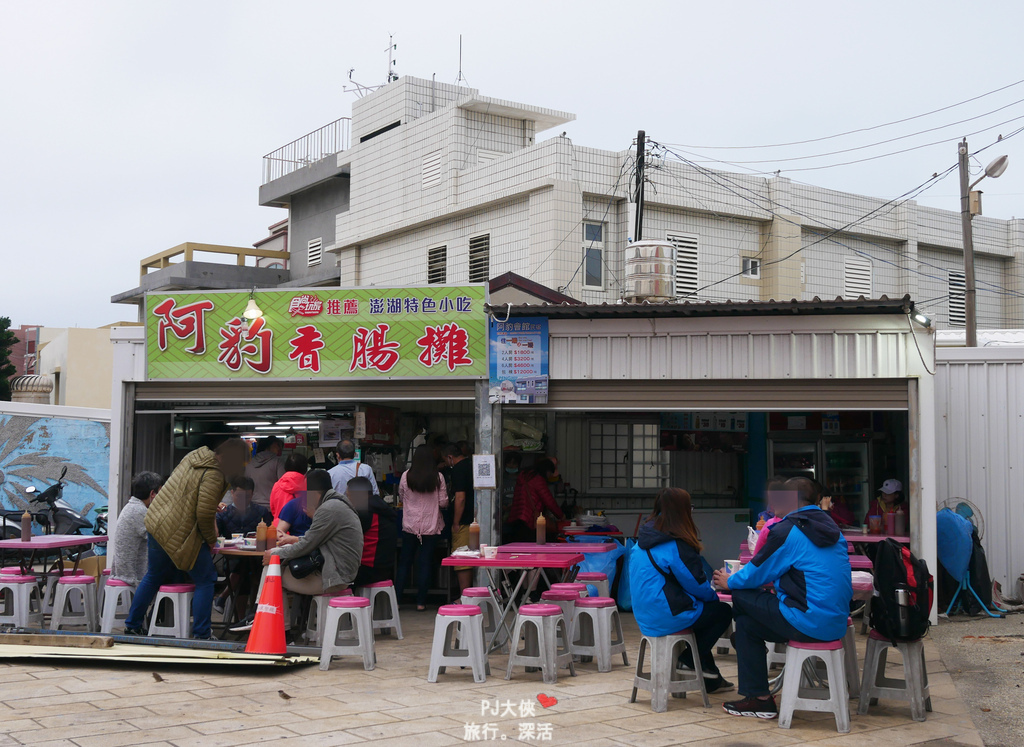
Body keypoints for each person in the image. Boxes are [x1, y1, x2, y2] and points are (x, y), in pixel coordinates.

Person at [715, 476, 852, 719]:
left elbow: (755, 574)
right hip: (836, 622)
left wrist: (729, 582)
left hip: (807, 621)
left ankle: (758, 695)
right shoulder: (830, 527)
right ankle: (759, 698)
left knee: (739, 594)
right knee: (747, 625)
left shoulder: (788, 530)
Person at [123, 438, 249, 640]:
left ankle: (132, 626)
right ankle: (201, 634)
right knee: (206, 578)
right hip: (178, 528)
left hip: (157, 521)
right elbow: (203, 513)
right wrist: (210, 538)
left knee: (154, 575)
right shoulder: (215, 474)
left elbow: (187, 494)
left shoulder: (195, 456)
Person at [629, 488, 734, 693]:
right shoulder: (675, 543)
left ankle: (711, 677)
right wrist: (715, 593)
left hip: (644, 615)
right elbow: (695, 584)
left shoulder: (641, 541)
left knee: (701, 617)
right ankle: (686, 659)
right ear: (683, 511)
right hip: (668, 615)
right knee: (721, 612)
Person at [233, 469, 364, 633]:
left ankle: (271, 622)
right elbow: (314, 540)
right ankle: (271, 622)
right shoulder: (336, 503)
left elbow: (307, 545)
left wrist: (274, 554)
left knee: (272, 571)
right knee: (276, 563)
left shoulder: (328, 509)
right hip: (339, 570)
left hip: (335, 577)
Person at [396, 445, 449, 609]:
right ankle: (421, 602)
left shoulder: (406, 476)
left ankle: (397, 600)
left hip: (410, 525)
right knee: (425, 562)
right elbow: (443, 502)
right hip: (430, 525)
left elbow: (401, 496)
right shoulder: (438, 477)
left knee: (405, 562)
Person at [213, 476, 271, 615]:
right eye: (239, 496)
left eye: (247, 496)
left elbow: (270, 533)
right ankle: (243, 618)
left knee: (249, 568)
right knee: (243, 567)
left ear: (252, 495)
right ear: (232, 493)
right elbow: (215, 537)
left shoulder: (261, 512)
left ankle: (224, 599)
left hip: (257, 558)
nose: (243, 500)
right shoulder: (223, 513)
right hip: (231, 559)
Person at [110, 471, 164, 586]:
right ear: (152, 494)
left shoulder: (132, 506)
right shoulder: (139, 511)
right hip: (132, 574)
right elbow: (161, 538)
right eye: (160, 492)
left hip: (126, 570)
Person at [348, 476, 399, 587]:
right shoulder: (381, 508)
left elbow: (347, 536)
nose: (348, 499)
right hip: (385, 568)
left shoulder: (365, 512)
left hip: (368, 570)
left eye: (349, 495)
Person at [505, 458, 565, 544]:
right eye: (549, 473)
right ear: (546, 471)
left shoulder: (523, 477)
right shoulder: (538, 479)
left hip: (516, 518)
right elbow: (549, 501)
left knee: (521, 548)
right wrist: (561, 515)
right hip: (530, 519)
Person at [446, 443, 476, 593]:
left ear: (450, 457)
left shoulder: (458, 469)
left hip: (464, 521)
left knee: (462, 557)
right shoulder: (471, 464)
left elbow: (460, 498)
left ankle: (465, 594)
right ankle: (469, 593)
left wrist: (456, 522)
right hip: (475, 518)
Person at [246, 436, 284, 510]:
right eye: (278, 446)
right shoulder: (278, 462)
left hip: (252, 507)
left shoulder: (249, 463)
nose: (279, 449)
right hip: (271, 507)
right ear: (271, 445)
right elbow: (283, 485)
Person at [269, 452, 308, 520]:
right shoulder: (309, 486)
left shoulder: (277, 485)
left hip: (279, 527)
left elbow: (273, 509)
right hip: (301, 529)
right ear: (305, 469)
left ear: (286, 467)